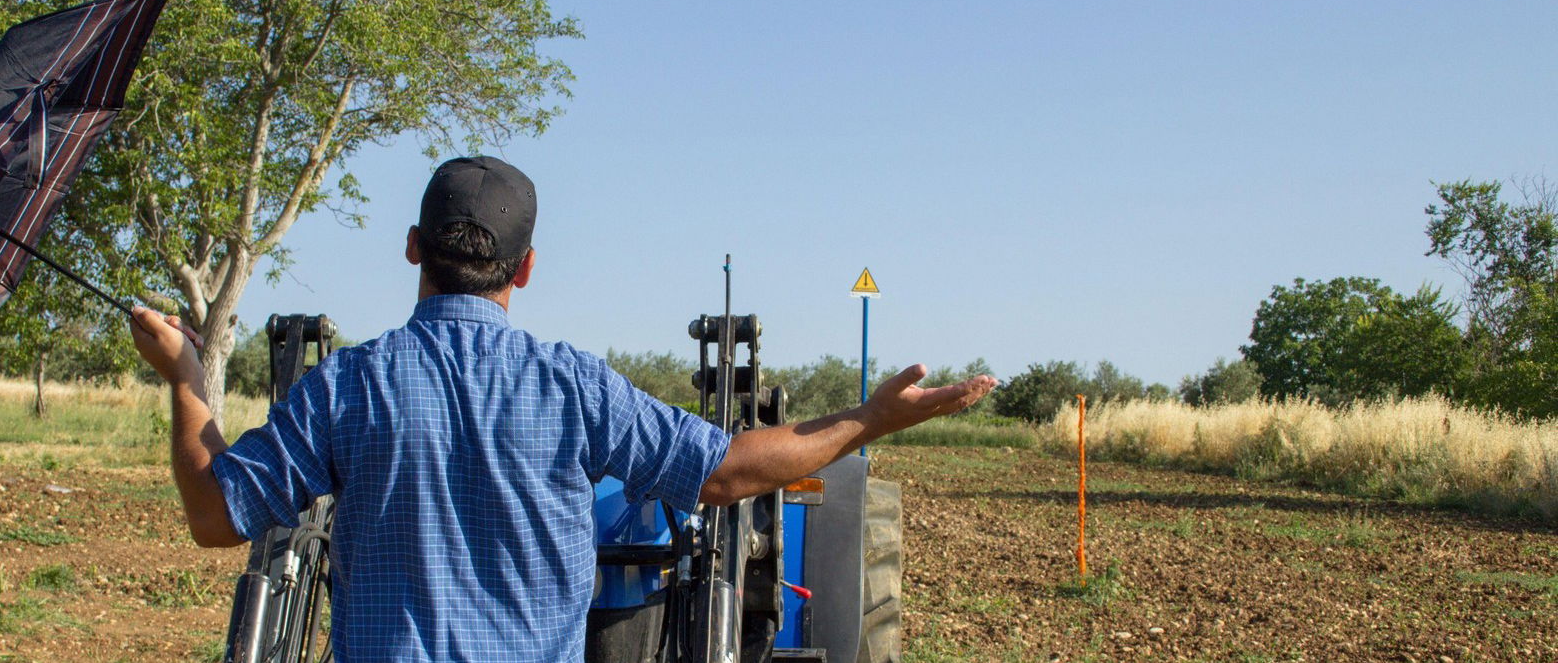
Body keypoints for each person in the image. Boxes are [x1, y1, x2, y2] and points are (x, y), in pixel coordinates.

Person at [129, 155, 997, 663]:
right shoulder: (574, 386)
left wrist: (186, 377)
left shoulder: (351, 385)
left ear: (411, 249)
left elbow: (214, 515)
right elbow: (729, 475)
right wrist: (869, 420)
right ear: (527, 268)